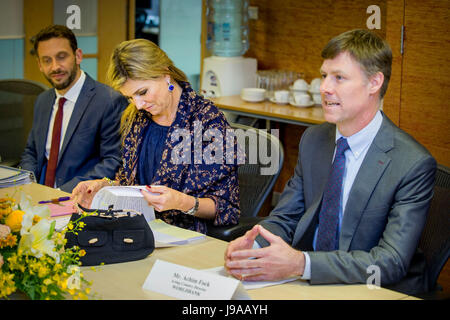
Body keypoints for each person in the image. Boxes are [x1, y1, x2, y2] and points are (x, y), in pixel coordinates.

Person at [224, 29, 436, 295]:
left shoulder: (412, 163)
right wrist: (254, 242)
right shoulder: (314, 139)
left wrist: (303, 264)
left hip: (377, 289)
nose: (324, 87)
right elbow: (286, 216)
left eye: (339, 77)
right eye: (324, 75)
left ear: (374, 83)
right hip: (309, 281)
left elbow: (390, 262)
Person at [71, 39, 240, 234]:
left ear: (164, 74)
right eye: (130, 97)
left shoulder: (208, 122)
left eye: (142, 92)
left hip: (185, 236)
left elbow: (227, 208)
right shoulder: (138, 118)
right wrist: (104, 186)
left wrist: (180, 202)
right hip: (138, 230)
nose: (138, 104)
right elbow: (132, 185)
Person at [20, 25, 127, 193]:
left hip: (79, 199)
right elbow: (31, 152)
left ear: (78, 56)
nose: (55, 67)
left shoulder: (109, 101)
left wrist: (60, 194)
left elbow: (113, 161)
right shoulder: (42, 100)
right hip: (39, 196)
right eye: (47, 60)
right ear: (39, 64)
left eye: (61, 57)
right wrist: (28, 186)